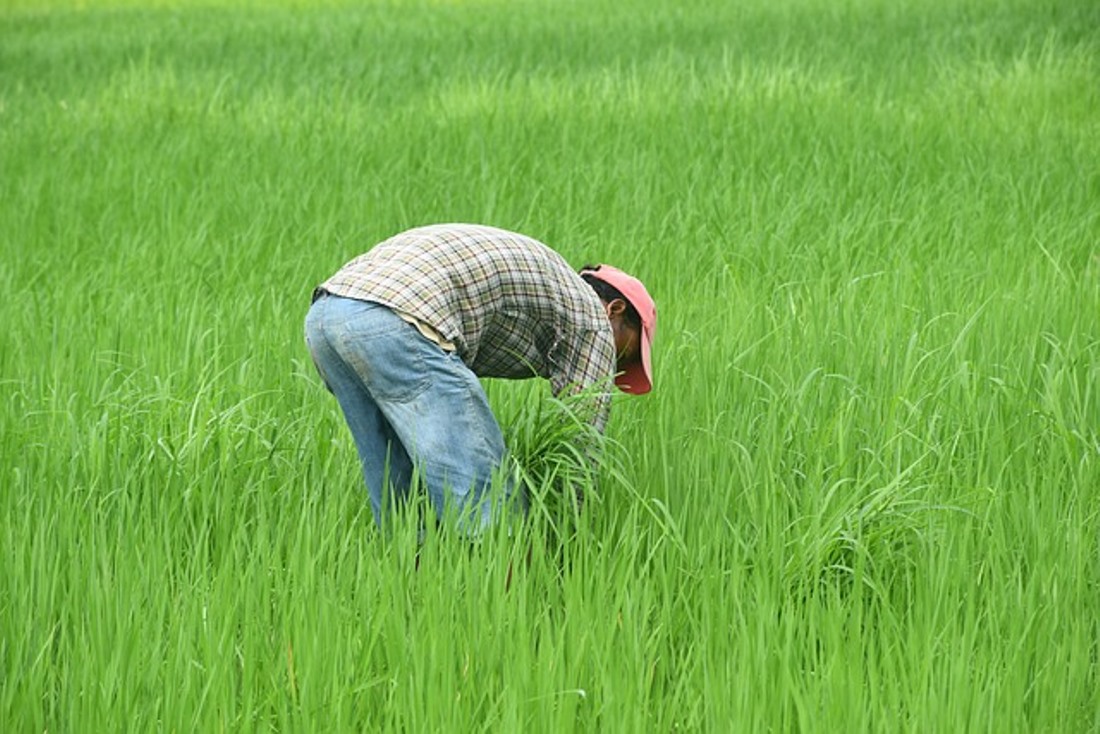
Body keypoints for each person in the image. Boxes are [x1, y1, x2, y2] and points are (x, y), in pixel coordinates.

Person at [304, 223, 656, 534]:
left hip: (327, 316)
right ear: (615, 309)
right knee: (488, 503)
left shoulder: (554, 283)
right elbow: (579, 443)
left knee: (403, 498)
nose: (615, 368)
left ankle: (415, 592)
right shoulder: (592, 318)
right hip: (396, 320)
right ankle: (515, 598)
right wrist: (565, 538)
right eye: (624, 353)